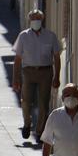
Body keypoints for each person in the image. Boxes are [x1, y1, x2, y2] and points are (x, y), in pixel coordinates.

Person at [12, 9, 62, 141]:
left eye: (38, 18)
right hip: (28, 72)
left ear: (42, 20)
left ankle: (40, 131)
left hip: (45, 72)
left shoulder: (50, 36)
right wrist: (16, 79)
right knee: (26, 101)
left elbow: (56, 57)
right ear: (30, 20)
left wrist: (57, 76)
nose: (36, 21)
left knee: (43, 103)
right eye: (33, 18)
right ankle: (27, 124)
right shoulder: (23, 36)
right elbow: (17, 59)